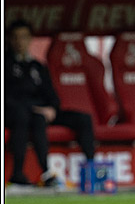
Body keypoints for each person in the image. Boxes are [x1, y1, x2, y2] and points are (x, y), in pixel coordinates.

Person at [5, 20, 96, 187]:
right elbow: (8, 97)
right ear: (9, 40)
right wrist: (34, 108)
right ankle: (35, 173)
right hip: (18, 112)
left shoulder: (37, 66)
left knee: (83, 118)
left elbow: (52, 94)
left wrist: (52, 108)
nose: (20, 42)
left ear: (30, 39)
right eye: (16, 38)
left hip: (43, 111)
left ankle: (92, 170)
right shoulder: (6, 65)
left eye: (24, 37)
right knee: (29, 117)